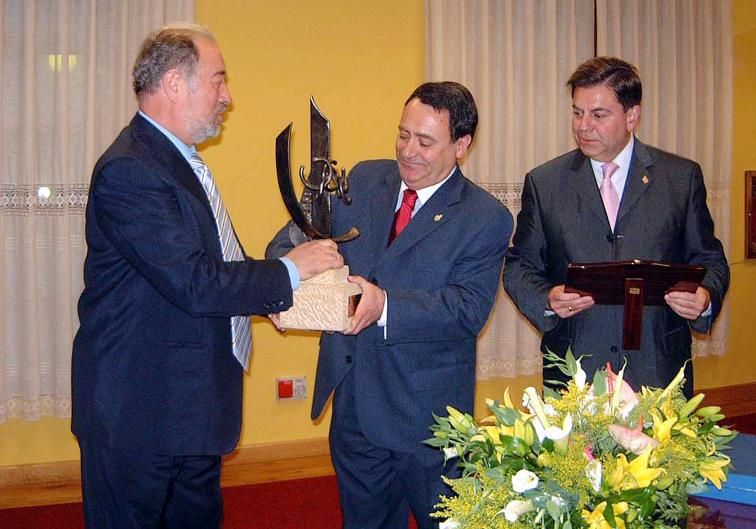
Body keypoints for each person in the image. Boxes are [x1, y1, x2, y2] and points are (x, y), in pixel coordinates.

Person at [71, 23, 342, 529]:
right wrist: (288, 271)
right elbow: (195, 283)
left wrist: (275, 299)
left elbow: (218, 263)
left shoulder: (177, 160)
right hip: (141, 412)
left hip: (187, 409)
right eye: (218, 81)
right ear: (175, 84)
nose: (228, 96)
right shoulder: (132, 170)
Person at [267, 82, 513, 529]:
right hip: (356, 406)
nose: (408, 151)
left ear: (462, 145)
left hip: (429, 420)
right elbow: (293, 239)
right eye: (403, 134)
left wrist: (384, 305)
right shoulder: (364, 179)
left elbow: (467, 309)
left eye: (425, 141)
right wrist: (285, 281)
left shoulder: (486, 217)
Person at [504, 56, 729, 397]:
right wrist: (546, 299)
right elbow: (519, 266)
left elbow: (710, 259)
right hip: (574, 372)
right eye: (577, 113)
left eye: (598, 115)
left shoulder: (680, 178)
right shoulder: (545, 183)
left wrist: (705, 296)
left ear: (632, 116)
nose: (583, 126)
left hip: (658, 370)